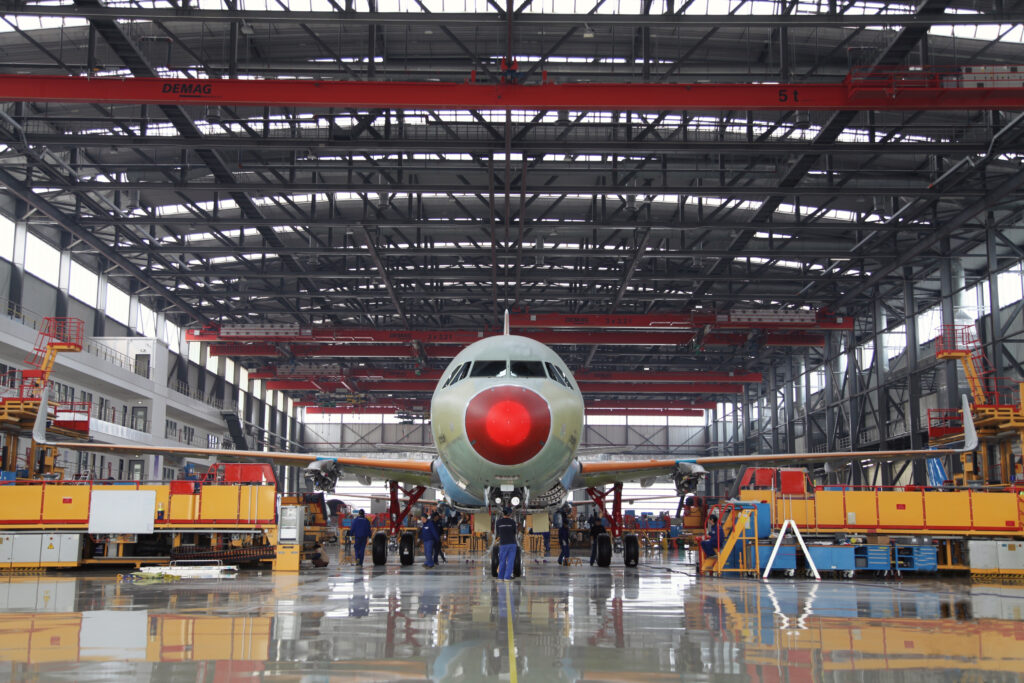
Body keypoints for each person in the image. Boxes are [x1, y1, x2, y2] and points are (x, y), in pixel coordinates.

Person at [495, 507, 518, 580]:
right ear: (510, 514)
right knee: (510, 561)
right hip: (512, 543)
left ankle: (500, 577)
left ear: (503, 513)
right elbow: (514, 532)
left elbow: (498, 533)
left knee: (502, 561)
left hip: (503, 544)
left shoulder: (498, 522)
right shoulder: (512, 522)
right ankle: (507, 577)